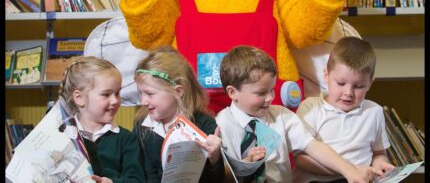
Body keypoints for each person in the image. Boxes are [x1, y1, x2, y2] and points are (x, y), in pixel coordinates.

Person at [216, 45, 378, 183]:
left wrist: (348, 170)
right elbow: (218, 175)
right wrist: (246, 165)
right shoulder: (221, 125)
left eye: (272, 90)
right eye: (261, 93)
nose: (270, 98)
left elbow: (313, 146)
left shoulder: (281, 117)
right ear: (233, 92)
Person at [293, 36, 395, 183]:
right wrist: (348, 171)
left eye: (358, 86)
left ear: (370, 84)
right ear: (326, 75)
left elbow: (378, 153)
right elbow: (300, 159)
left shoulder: (374, 112)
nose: (348, 93)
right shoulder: (310, 107)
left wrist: (380, 165)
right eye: (341, 83)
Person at [133, 45, 224, 182]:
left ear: (178, 91)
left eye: (150, 94)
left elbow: (216, 179)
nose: (143, 101)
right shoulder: (141, 125)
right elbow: (140, 172)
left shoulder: (204, 124)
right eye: (140, 93)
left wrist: (215, 158)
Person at [60, 56, 146, 183]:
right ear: (79, 98)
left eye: (117, 93)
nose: (115, 100)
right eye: (106, 94)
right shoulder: (62, 136)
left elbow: (137, 180)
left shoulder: (127, 139)